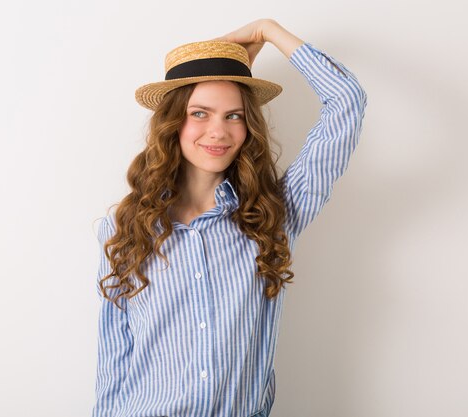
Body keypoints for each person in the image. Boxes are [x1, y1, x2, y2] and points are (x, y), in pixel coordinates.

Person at [91, 18, 367, 417]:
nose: (218, 131)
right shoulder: (124, 228)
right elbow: (114, 359)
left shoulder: (274, 214)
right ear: (173, 122)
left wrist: (267, 32)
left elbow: (347, 101)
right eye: (200, 113)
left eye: (234, 115)